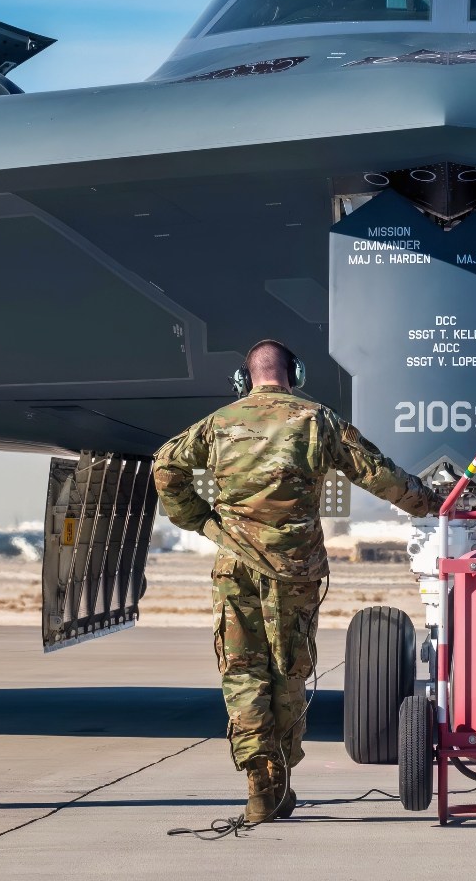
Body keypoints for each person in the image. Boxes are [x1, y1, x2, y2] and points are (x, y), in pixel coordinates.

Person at [153, 339, 441, 824]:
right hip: (295, 570)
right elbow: (379, 475)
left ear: (245, 379)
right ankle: (280, 777)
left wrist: (201, 521)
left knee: (242, 672)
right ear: (296, 375)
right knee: (288, 672)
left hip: (236, 567)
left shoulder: (218, 424)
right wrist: (433, 502)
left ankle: (259, 781)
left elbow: (165, 466)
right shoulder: (318, 420)